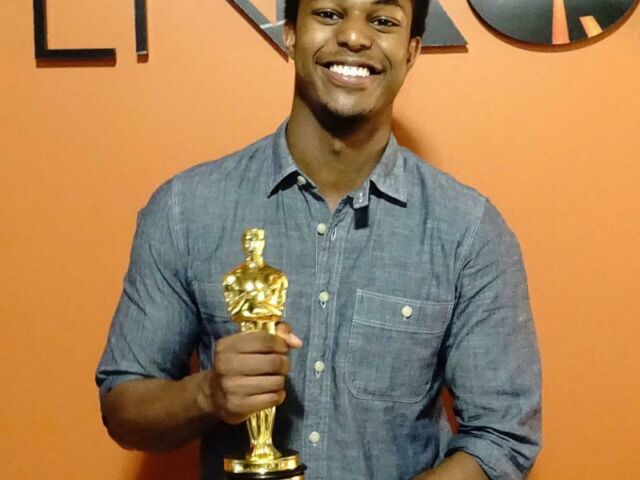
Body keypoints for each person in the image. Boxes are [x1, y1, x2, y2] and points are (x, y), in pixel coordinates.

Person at [96, 0, 541, 478]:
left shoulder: (467, 230)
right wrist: (207, 393)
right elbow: (124, 407)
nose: (354, 37)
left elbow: (502, 436)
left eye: (383, 21)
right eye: (329, 14)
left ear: (412, 50)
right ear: (289, 33)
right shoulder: (187, 209)